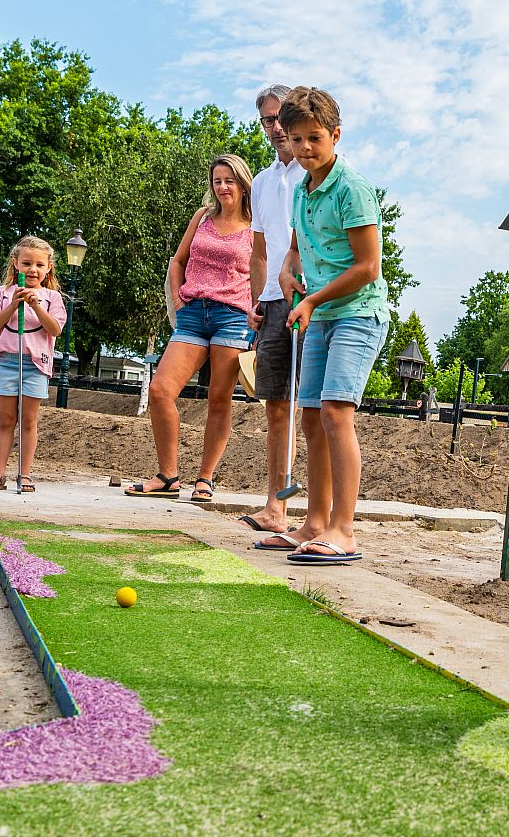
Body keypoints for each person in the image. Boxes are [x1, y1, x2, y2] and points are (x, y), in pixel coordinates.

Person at [273, 87, 388, 564]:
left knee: (337, 411)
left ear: (335, 135)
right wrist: (286, 272)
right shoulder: (302, 190)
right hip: (320, 315)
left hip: (358, 314)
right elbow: (298, 250)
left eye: (314, 138)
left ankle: (344, 529)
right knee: (312, 418)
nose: (303, 149)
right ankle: (314, 524)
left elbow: (368, 267)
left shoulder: (352, 189)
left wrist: (313, 298)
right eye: (295, 139)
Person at [127, 154, 258, 504]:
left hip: (232, 316)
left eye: (229, 180)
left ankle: (205, 478)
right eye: (217, 180)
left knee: (218, 399)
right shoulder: (202, 217)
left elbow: (261, 270)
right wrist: (178, 300)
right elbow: (178, 262)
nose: (223, 186)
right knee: (160, 390)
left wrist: (257, 313)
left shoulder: (255, 225)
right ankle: (168, 475)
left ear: (243, 183)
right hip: (192, 314)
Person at [239, 85, 306, 538]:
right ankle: (275, 507)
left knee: (313, 406)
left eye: (281, 117)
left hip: (310, 295)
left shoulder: (314, 171)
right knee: (276, 405)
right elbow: (258, 249)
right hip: (272, 300)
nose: (276, 127)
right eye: (267, 120)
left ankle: (315, 512)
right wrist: (255, 300)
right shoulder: (261, 182)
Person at [0, 237, 64, 492]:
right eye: (26, 263)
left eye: (39, 264)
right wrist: (13, 305)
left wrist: (36, 306)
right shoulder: (2, 294)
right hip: (7, 361)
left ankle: (24, 474)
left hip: (36, 365)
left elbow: (55, 329)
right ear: (16, 264)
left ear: (49, 267)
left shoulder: (52, 298)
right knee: (6, 419)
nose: (32, 270)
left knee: (28, 421)